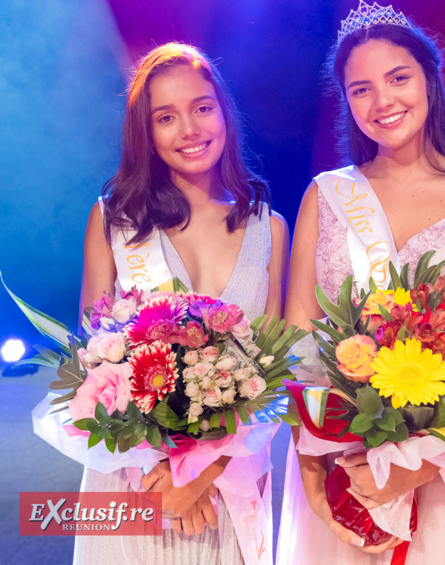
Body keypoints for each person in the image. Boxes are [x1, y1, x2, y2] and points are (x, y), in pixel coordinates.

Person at [277, 3, 445, 564]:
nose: (382, 101)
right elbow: (299, 351)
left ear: (429, 81)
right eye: (361, 89)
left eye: (398, 78)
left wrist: (413, 466)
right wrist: (312, 474)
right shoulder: (326, 196)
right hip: (343, 466)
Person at [76, 43, 289, 564]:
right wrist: (163, 474)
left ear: (224, 113)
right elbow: (92, 368)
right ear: (145, 134)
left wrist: (200, 475)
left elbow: (277, 379)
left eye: (202, 108)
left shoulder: (270, 228)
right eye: (166, 117)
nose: (190, 130)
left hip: (228, 486)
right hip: (135, 480)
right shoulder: (113, 221)